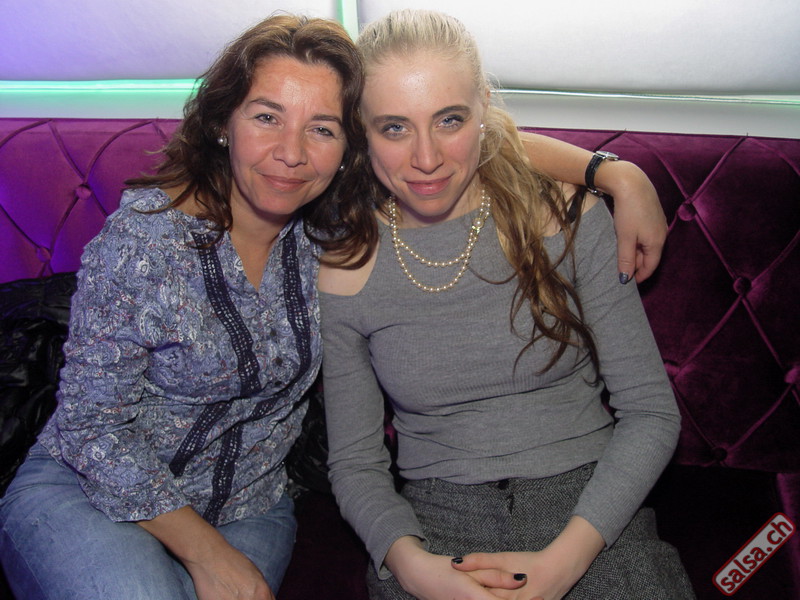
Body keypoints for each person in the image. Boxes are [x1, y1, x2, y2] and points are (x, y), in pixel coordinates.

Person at [0, 11, 667, 600]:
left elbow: (455, 147)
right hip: (103, 489)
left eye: (320, 128)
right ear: (224, 121)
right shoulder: (168, 242)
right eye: (267, 116)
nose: (290, 154)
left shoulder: (323, 231)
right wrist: (218, 557)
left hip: (251, 503)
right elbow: (92, 428)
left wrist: (614, 172)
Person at [318, 9, 695, 600]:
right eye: (394, 128)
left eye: (449, 120)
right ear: (361, 132)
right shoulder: (344, 266)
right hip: (436, 529)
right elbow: (355, 463)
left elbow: (651, 413)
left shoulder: (568, 215)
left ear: (483, 109)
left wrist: (565, 562)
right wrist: (411, 565)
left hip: (592, 513)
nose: (426, 157)